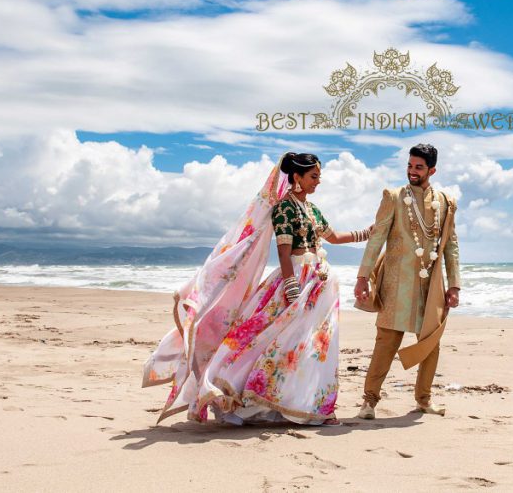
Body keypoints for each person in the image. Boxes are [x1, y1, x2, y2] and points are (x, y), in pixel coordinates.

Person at [142, 151, 373, 426]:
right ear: (296, 177)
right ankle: (262, 395)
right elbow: (285, 252)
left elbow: (333, 238)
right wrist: (290, 285)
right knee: (279, 339)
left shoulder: (312, 210)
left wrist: (368, 233)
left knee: (312, 344)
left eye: (319, 177)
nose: (318, 182)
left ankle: (310, 405)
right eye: (313, 176)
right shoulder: (284, 209)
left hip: (320, 284)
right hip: (298, 280)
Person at [353, 143, 461, 419]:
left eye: (419, 167)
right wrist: (362, 278)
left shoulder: (446, 203)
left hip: (430, 285)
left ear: (432, 170)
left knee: (430, 343)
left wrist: (454, 285)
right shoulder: (393, 196)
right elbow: (376, 239)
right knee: (386, 342)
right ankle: (369, 402)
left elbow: (451, 246)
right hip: (396, 285)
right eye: (410, 165)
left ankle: (424, 400)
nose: (412, 171)